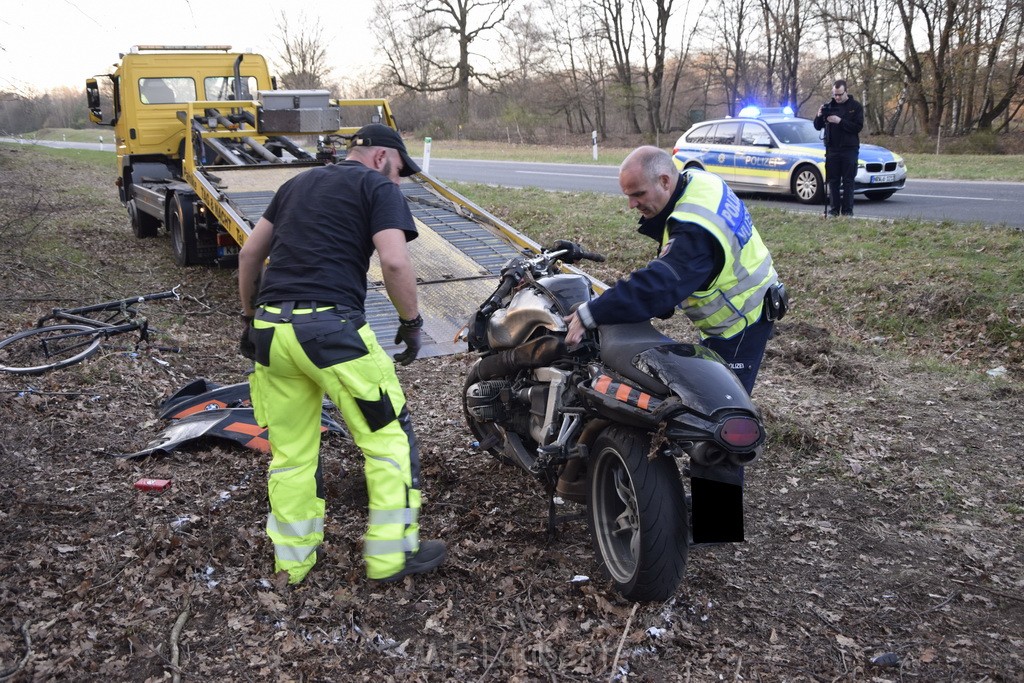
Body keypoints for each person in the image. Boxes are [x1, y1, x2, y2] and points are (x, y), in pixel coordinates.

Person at [237, 123, 445, 585]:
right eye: (398, 171)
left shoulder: (297, 183)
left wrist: (250, 318)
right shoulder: (376, 185)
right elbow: (393, 260)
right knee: (387, 437)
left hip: (273, 332)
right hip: (332, 330)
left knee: (291, 454)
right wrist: (411, 324)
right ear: (380, 158)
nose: (398, 181)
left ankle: (292, 565)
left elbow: (250, 254)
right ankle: (392, 556)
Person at [564, 146, 784, 395]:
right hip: (751, 304)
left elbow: (661, 284)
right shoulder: (698, 182)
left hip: (740, 322)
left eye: (638, 194)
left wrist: (592, 312)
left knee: (721, 405)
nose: (631, 204)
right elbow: (674, 272)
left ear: (665, 181)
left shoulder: (695, 230)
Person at [813, 79, 864, 216]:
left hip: (849, 149)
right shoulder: (829, 106)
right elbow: (818, 126)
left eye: (840, 94)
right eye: (835, 94)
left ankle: (847, 212)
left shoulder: (856, 107)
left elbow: (857, 127)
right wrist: (819, 116)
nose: (837, 97)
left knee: (848, 181)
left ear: (846, 91)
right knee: (833, 181)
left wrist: (840, 121)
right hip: (832, 149)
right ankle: (833, 211)